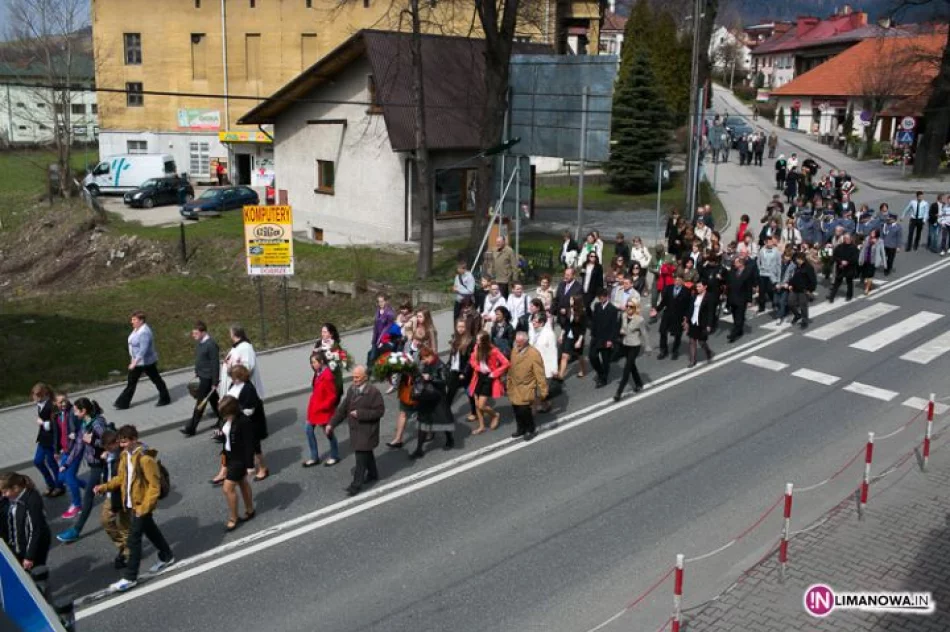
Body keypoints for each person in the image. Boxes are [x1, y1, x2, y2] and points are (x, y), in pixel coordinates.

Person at [94, 424, 176, 592]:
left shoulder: (145, 459)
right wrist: (104, 487)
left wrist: (144, 508)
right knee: (151, 530)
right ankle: (167, 556)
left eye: (124, 442)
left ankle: (130, 577)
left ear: (134, 440)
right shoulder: (125, 456)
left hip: (141, 505)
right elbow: (121, 479)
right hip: (132, 504)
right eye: (120, 442)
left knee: (133, 540)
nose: (122, 445)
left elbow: (154, 487)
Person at [55, 397, 110, 544]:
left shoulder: (97, 424)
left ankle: (76, 530)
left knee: (88, 499)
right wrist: (65, 464)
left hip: (101, 465)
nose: (74, 413)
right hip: (95, 466)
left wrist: (92, 441)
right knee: (106, 493)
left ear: (84, 411)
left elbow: (109, 442)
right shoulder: (85, 424)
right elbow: (78, 447)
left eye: (76, 411)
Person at [327, 366, 385, 496]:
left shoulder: (373, 392)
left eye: (357, 377)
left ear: (365, 377)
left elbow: (380, 411)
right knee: (366, 453)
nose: (354, 380)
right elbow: (342, 409)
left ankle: (355, 486)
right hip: (357, 431)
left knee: (360, 458)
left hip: (367, 431)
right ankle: (373, 474)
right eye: (353, 377)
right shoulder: (352, 390)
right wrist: (331, 424)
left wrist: (360, 413)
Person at [113, 311, 171, 410]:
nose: (132, 321)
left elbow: (143, 350)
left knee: (155, 379)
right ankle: (122, 403)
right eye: (132, 319)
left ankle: (165, 398)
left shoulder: (144, 332)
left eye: (134, 320)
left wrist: (134, 363)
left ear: (141, 320)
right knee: (134, 381)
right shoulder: (137, 329)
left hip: (145, 362)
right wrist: (133, 360)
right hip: (139, 361)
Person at [216, 396, 256, 532]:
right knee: (242, 483)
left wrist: (250, 466)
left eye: (226, 414)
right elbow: (227, 435)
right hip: (229, 456)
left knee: (227, 488)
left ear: (232, 411)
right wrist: (220, 436)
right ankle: (250, 509)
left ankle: (234, 518)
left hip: (239, 459)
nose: (224, 417)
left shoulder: (243, 421)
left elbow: (250, 445)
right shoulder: (226, 419)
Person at [226, 365, 268, 481]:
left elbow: (249, 410)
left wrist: (235, 411)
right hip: (239, 421)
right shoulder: (234, 385)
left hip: (251, 422)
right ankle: (250, 464)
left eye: (234, 378)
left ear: (241, 376)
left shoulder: (248, 388)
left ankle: (263, 468)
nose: (232, 380)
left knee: (255, 447)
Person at [0, 473, 50, 571]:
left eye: (5, 492)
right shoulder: (11, 498)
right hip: (18, 545)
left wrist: (29, 556)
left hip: (34, 547)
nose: (3, 495)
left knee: (35, 572)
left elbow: (35, 529)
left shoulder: (32, 500)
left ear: (15, 488)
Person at [410, 346, 455, 456]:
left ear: (430, 356)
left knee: (443, 420)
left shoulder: (440, 365)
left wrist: (430, 378)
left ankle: (450, 439)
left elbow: (445, 381)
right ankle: (419, 449)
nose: (423, 361)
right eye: (422, 358)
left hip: (438, 397)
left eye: (425, 358)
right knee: (423, 420)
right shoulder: (426, 364)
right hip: (427, 396)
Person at [98, 430, 132, 569]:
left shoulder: (122, 455)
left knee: (125, 525)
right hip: (111, 495)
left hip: (122, 495)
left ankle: (128, 553)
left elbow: (120, 479)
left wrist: (105, 487)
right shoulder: (110, 455)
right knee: (106, 521)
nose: (106, 449)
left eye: (108, 447)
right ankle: (124, 547)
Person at [181, 320, 221, 436]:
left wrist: (215, 381)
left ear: (203, 332)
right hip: (202, 376)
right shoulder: (200, 342)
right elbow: (201, 359)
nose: (193, 336)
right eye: (193, 334)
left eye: (196, 333)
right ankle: (223, 418)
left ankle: (191, 428)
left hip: (208, 378)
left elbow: (215, 364)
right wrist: (197, 372)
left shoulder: (211, 345)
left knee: (200, 403)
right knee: (214, 400)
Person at [507, 332, 548, 441]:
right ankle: (520, 428)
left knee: (524, 409)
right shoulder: (514, 350)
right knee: (516, 409)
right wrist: (508, 382)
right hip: (514, 386)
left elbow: (540, 373)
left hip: (527, 386)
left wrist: (543, 390)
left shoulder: (533, 354)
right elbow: (511, 368)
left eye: (520, 342)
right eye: (516, 341)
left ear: (526, 342)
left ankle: (530, 429)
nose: (517, 344)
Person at [468, 331, 510, 435]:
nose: (476, 342)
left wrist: (494, 373)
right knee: (477, 404)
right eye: (477, 339)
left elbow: (506, 363)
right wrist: (478, 368)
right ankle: (481, 426)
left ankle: (495, 415)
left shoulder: (494, 351)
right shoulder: (477, 347)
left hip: (488, 378)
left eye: (478, 340)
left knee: (481, 405)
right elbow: (472, 360)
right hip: (478, 377)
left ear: (485, 341)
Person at [304, 351, 340, 468]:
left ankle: (335, 456)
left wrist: (323, 407)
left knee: (328, 432)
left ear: (321, 362)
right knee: (308, 429)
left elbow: (332, 396)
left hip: (323, 410)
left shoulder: (327, 376)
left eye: (314, 362)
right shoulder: (318, 373)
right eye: (311, 362)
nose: (312, 365)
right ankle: (314, 457)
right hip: (314, 409)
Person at [29, 382, 62, 498]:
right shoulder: (40, 404)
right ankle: (50, 483)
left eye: (36, 396)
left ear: (44, 394)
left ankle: (59, 486)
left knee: (52, 463)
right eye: (33, 395)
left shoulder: (52, 405)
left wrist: (42, 423)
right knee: (37, 461)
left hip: (50, 440)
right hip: (42, 438)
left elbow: (56, 426)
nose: (34, 398)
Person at [52, 393, 82, 516]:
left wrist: (76, 434)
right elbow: (57, 434)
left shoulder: (73, 412)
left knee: (69, 477)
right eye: (60, 402)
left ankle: (77, 505)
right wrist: (56, 450)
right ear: (55, 403)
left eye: (65, 400)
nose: (64, 404)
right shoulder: (58, 415)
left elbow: (81, 427)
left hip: (75, 449)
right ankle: (93, 486)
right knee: (61, 477)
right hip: (65, 450)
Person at [614, 301, 651, 401]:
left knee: (627, 368)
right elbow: (623, 327)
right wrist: (621, 331)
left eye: (631, 307)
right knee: (632, 366)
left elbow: (644, 334)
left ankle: (619, 392)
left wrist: (647, 346)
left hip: (635, 346)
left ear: (635, 308)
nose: (628, 308)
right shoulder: (624, 316)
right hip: (626, 344)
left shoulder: (640, 320)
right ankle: (639, 383)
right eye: (627, 306)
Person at [219, 324, 265, 398]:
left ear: (234, 334)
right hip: (235, 386)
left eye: (230, 332)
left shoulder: (245, 347)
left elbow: (247, 367)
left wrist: (231, 367)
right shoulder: (237, 347)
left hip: (241, 388)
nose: (229, 335)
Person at [652, 274, 690, 361]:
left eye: (679, 280)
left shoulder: (686, 291)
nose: (677, 282)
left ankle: (675, 351)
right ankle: (663, 350)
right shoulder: (669, 288)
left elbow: (688, 306)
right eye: (675, 280)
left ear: (682, 282)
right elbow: (663, 302)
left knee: (677, 334)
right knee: (662, 332)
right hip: (667, 314)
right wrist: (657, 310)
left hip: (678, 316)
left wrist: (686, 317)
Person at [446, 319, 477, 423]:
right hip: (454, 370)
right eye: (458, 327)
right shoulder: (455, 338)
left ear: (466, 327)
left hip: (464, 372)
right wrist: (448, 365)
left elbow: (470, 359)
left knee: (470, 393)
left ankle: (474, 412)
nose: (460, 329)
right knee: (450, 392)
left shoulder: (470, 340)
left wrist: (464, 373)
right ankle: (446, 414)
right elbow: (453, 355)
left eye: (462, 327)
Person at [588, 288, 619, 388]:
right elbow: (594, 321)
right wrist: (592, 334)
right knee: (592, 356)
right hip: (596, 337)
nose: (600, 299)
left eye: (602, 297)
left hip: (606, 338)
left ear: (607, 297)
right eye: (599, 297)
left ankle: (604, 379)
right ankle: (600, 372)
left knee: (605, 360)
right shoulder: (597, 306)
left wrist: (611, 340)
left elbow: (614, 326)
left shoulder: (612, 309)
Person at [558, 294, 588, 379]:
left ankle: (583, 369)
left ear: (576, 301)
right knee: (564, 355)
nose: (569, 301)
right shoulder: (568, 310)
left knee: (579, 356)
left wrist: (579, 341)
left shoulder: (582, 312)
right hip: (569, 336)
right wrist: (561, 335)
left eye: (571, 300)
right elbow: (566, 324)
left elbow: (583, 329)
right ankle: (561, 375)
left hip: (578, 337)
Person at [686, 279, 715, 368]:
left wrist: (709, 325)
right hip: (693, 321)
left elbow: (711, 312)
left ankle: (708, 351)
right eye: (697, 286)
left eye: (699, 286)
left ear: (705, 287)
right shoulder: (695, 296)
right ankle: (692, 360)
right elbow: (691, 308)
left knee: (702, 342)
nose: (697, 288)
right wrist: (687, 320)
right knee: (692, 341)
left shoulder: (709, 297)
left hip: (702, 323)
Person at [726, 256, 755, 343]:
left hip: (742, 298)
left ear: (741, 264)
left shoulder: (747, 273)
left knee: (739, 317)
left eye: (736, 262)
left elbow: (749, 287)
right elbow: (729, 283)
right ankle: (739, 330)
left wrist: (749, 300)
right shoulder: (733, 271)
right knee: (735, 316)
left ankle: (733, 335)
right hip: (732, 297)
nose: (734, 264)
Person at [788, 251, 817, 329]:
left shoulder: (809, 267)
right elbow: (794, 277)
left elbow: (813, 280)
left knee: (803, 306)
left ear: (802, 259)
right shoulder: (798, 266)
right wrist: (790, 284)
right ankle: (797, 315)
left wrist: (810, 290)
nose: (796, 260)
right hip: (795, 288)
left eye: (797, 259)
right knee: (790, 303)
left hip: (804, 290)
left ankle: (804, 321)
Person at [829, 232, 859, 303]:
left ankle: (849, 296)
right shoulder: (839, 247)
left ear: (851, 239)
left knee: (849, 283)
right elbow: (835, 256)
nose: (847, 240)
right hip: (840, 267)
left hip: (850, 268)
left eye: (848, 238)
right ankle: (832, 297)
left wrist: (847, 262)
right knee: (837, 282)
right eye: (845, 238)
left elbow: (855, 258)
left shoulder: (854, 248)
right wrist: (840, 261)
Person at [756, 236, 781, 314]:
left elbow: (778, 264)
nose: (770, 243)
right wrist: (760, 269)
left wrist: (778, 277)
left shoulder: (776, 251)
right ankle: (761, 306)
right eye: (768, 242)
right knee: (762, 291)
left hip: (772, 274)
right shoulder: (762, 250)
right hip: (763, 273)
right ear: (765, 242)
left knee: (770, 290)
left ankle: (775, 304)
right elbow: (758, 261)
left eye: (771, 241)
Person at [368, 294, 395, 364]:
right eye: (379, 302)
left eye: (382, 301)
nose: (380, 303)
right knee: (371, 356)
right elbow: (375, 326)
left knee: (379, 357)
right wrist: (374, 339)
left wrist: (381, 340)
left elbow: (388, 328)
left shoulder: (389, 313)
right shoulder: (378, 311)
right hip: (376, 338)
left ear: (386, 301)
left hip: (384, 339)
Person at [858, 230, 886, 296]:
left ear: (876, 234)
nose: (871, 233)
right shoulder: (867, 238)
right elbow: (863, 248)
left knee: (870, 275)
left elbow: (882, 252)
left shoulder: (880, 241)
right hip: (866, 259)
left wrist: (885, 263)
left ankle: (867, 288)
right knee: (865, 274)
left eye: (873, 233)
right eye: (871, 232)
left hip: (873, 261)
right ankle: (869, 285)